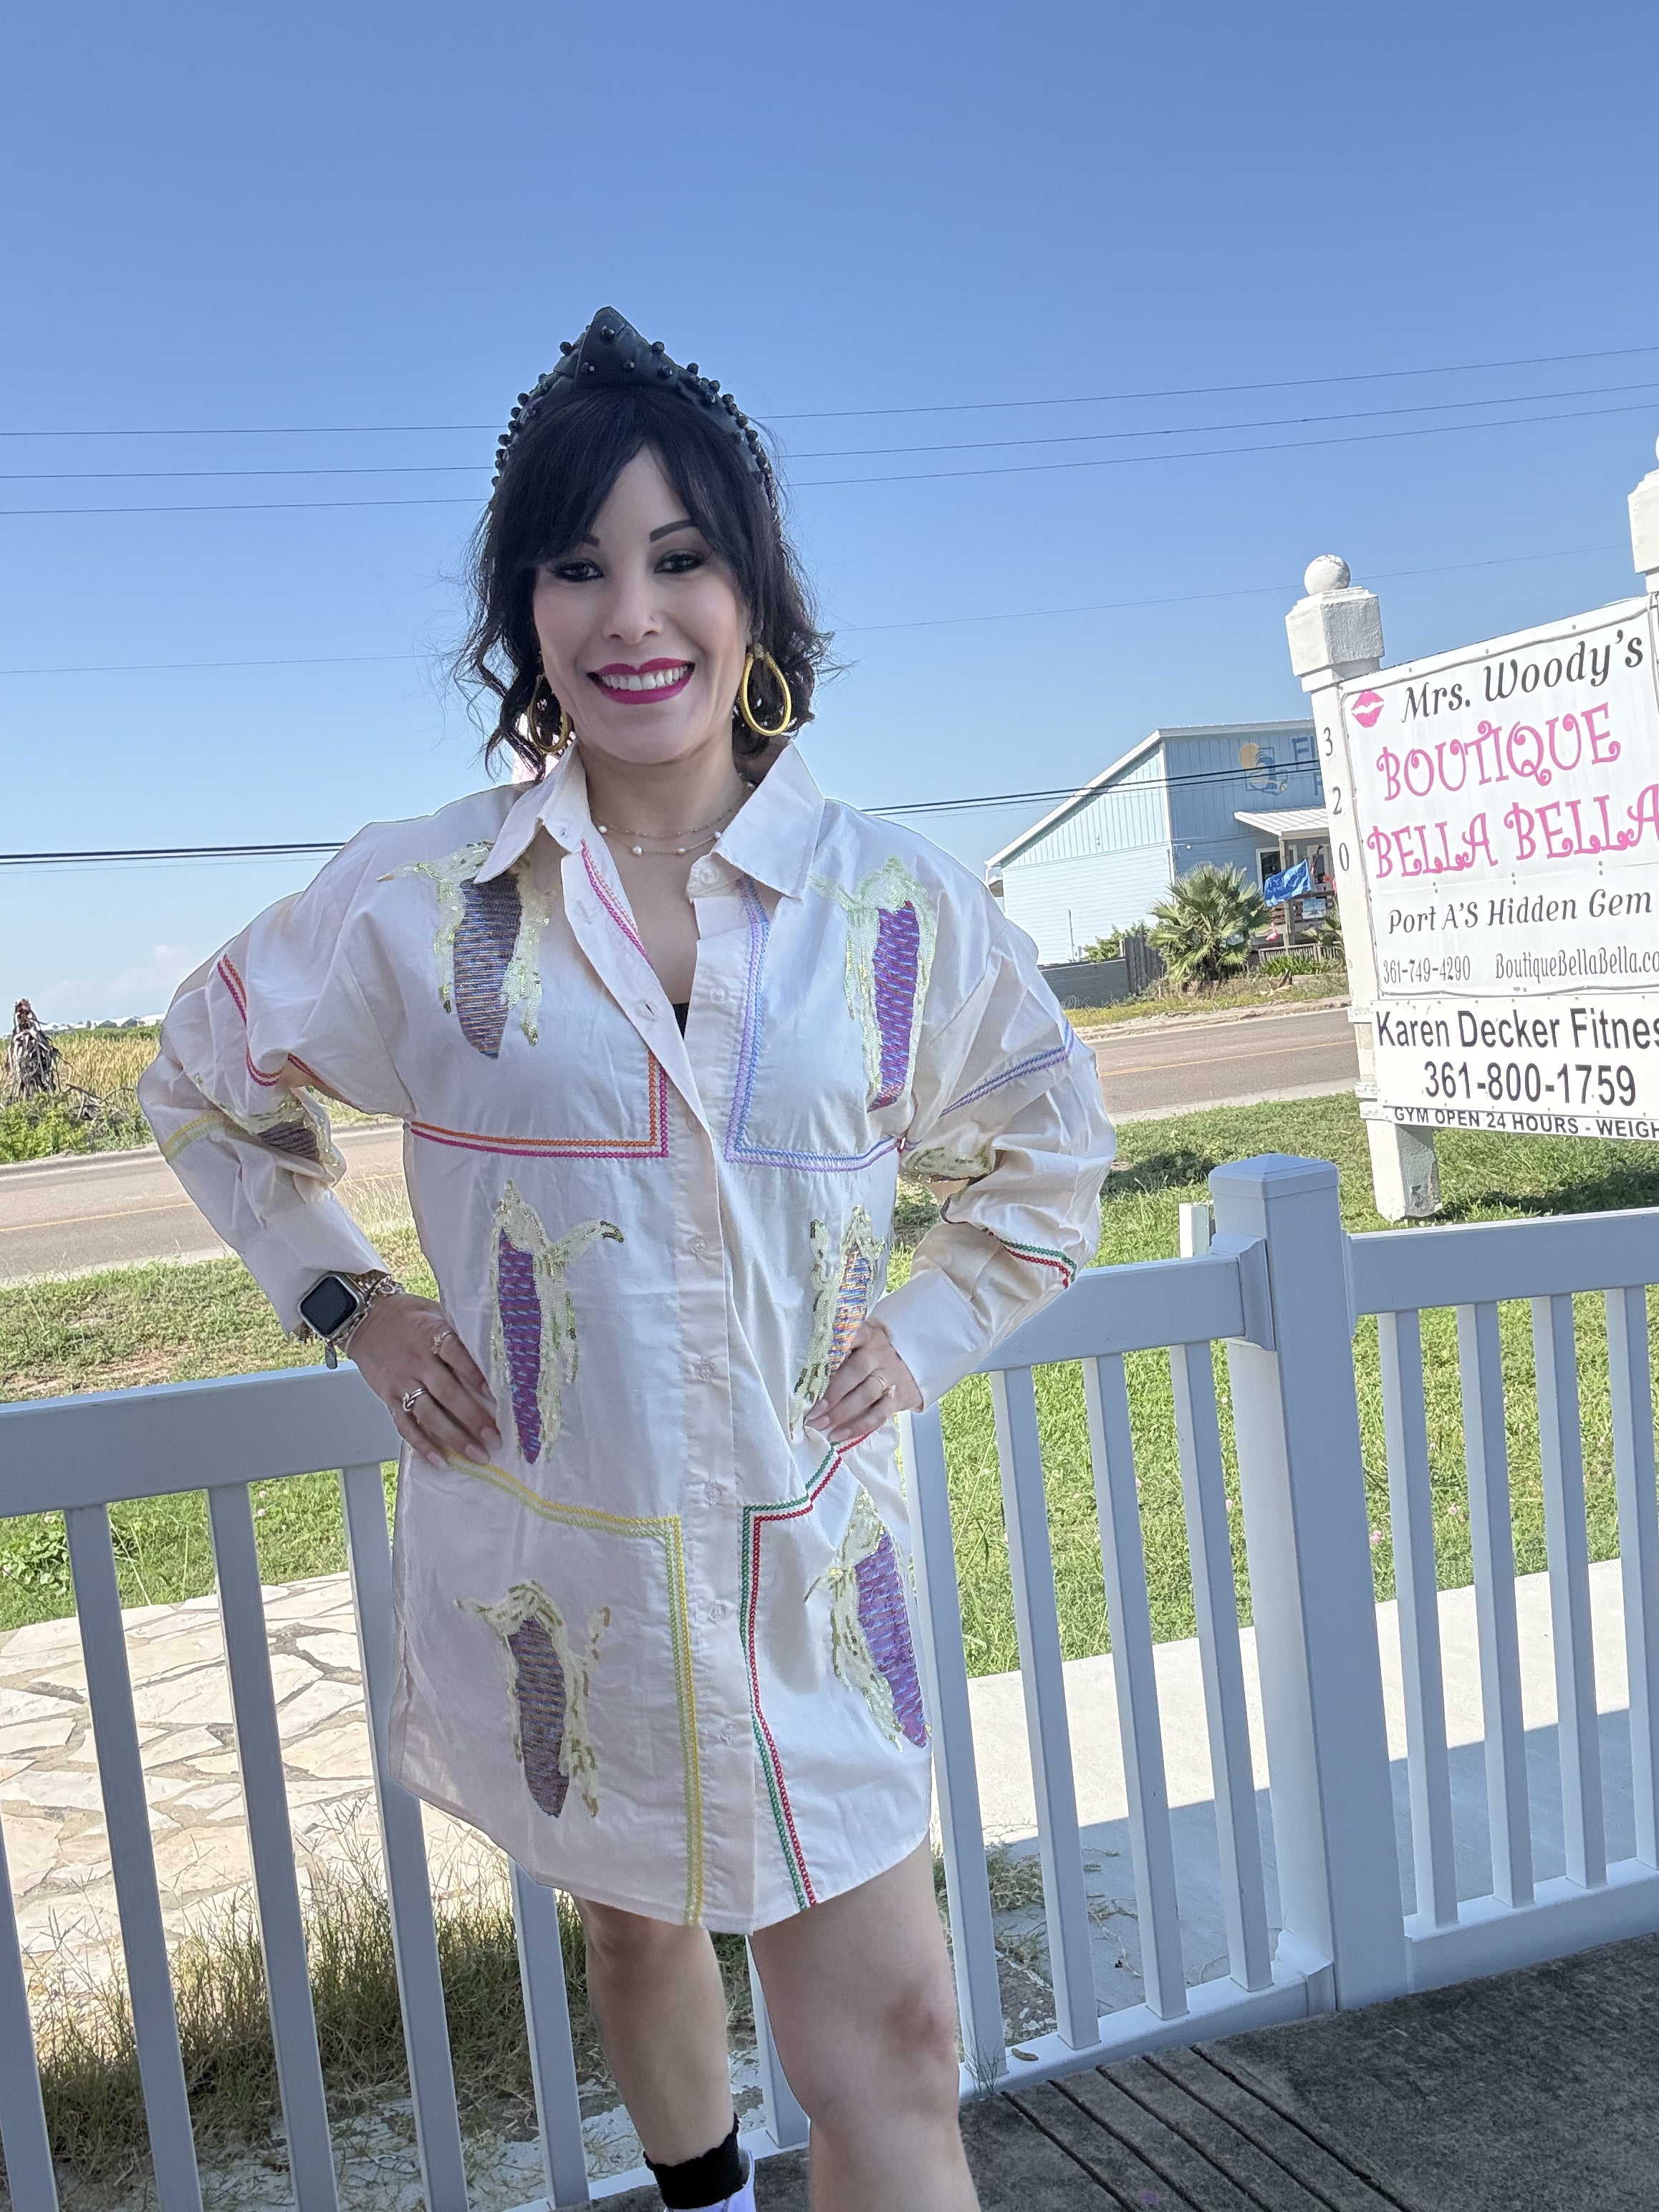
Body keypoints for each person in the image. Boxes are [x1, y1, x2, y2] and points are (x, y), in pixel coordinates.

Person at [140, 308, 1115, 2212]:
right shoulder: (423, 899)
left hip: (805, 1573)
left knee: (901, 2047)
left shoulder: (891, 904)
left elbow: (1051, 1150)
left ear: (753, 592)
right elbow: (198, 1078)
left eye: (679, 557)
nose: (632, 614)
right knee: (638, 1928)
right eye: (576, 566)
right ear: (525, 611)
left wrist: (925, 1329)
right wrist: (353, 1301)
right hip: (559, 1576)